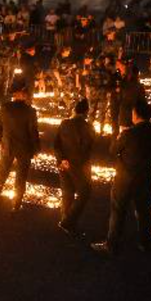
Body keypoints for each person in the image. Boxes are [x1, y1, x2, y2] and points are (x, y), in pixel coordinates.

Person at [92, 101, 151, 255]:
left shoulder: (128, 134)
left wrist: (119, 137)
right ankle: (145, 243)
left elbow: (113, 150)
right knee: (144, 212)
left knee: (118, 211)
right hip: (145, 178)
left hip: (125, 178)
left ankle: (112, 245)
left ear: (136, 114)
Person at [0, 79, 40, 212]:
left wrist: (1, 142)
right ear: (20, 94)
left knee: (2, 173)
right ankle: (16, 204)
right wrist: (36, 148)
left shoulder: (5, 108)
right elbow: (33, 132)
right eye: (25, 92)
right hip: (24, 148)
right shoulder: (30, 111)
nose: (26, 94)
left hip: (7, 146)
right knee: (21, 177)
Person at [54, 98, 95, 236]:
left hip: (64, 163)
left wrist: (62, 159)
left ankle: (66, 221)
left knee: (67, 192)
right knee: (85, 192)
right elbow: (88, 147)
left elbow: (56, 144)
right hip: (78, 165)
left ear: (74, 110)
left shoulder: (65, 123)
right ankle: (67, 222)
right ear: (86, 112)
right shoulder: (88, 127)